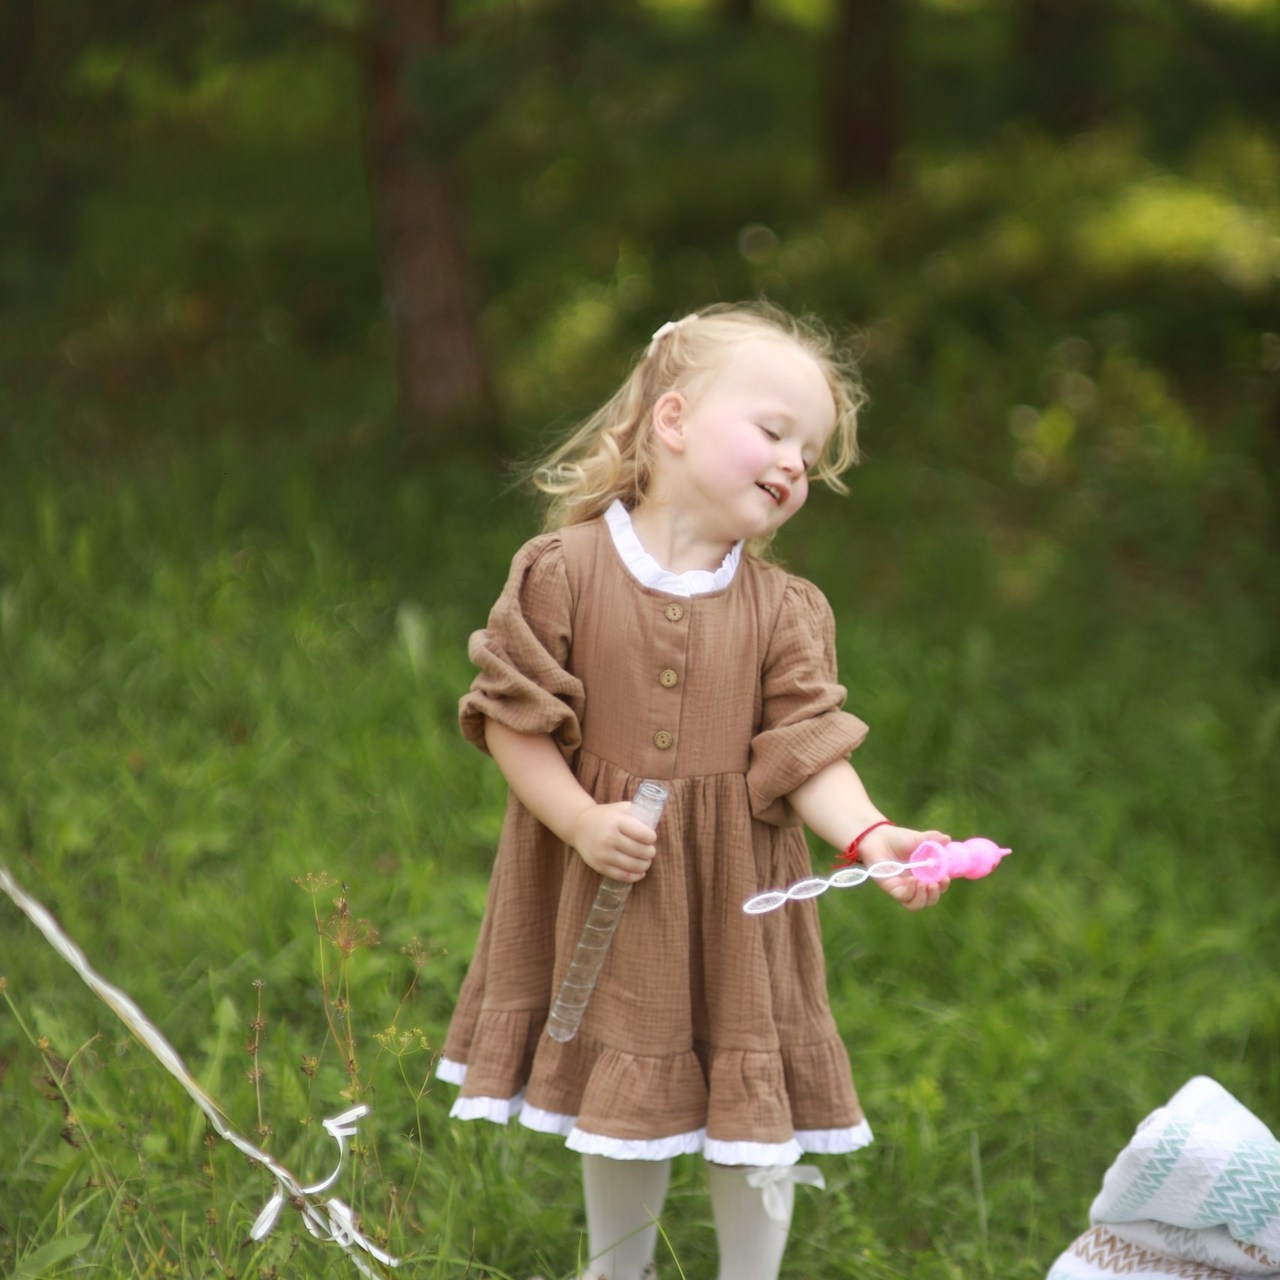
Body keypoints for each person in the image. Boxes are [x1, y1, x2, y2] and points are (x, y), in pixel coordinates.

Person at [436, 301, 951, 1280]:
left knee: (752, 1093)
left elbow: (806, 750)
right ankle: (614, 1265)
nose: (794, 461)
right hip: (609, 889)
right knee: (621, 1087)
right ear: (671, 422)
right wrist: (581, 817)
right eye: (772, 430)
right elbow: (512, 718)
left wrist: (872, 835)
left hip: (734, 901)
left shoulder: (782, 608)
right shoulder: (564, 570)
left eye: (810, 450)